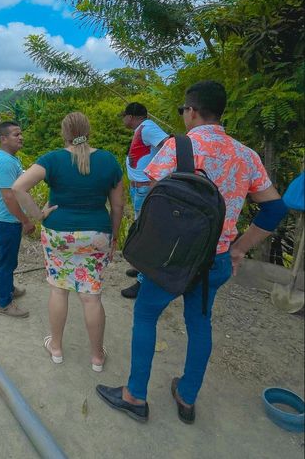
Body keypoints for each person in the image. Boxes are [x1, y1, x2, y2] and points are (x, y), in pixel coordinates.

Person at [96, 80, 287, 423]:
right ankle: (187, 397)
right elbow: (274, 208)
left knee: (146, 314)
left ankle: (135, 395)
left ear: (193, 111)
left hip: (173, 258)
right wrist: (239, 248)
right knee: (199, 322)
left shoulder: (178, 147)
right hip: (217, 259)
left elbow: (156, 203)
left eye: (183, 109)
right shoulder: (246, 155)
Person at [12, 112, 124, 371]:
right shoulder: (108, 160)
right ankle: (97, 357)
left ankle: (56, 348)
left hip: (59, 234)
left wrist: (39, 215)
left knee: (59, 290)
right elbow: (118, 206)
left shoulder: (52, 159)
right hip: (96, 234)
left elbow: (18, 187)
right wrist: (114, 237)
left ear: (64, 134)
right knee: (91, 296)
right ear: (89, 131)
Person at [119, 102, 168, 299]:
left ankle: (143, 280)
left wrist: (158, 175)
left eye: (124, 116)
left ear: (131, 116)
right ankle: (140, 268)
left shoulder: (147, 128)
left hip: (146, 187)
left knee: (145, 233)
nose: (123, 120)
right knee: (141, 229)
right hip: (140, 187)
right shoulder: (142, 129)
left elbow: (169, 146)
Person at [0, 121, 34, 318]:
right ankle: (4, 304)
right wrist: (25, 220)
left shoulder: (8, 157)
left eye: (21, 133)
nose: (21, 137)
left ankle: (9, 289)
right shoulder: (6, 162)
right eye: (16, 134)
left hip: (3, 218)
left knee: (9, 260)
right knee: (6, 263)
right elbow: (8, 197)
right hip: (6, 221)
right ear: (3, 139)